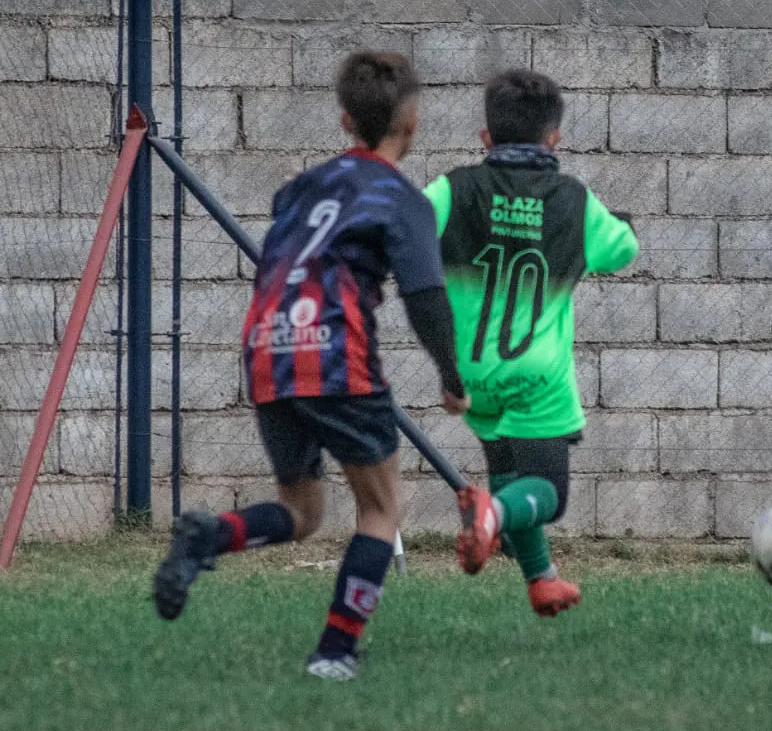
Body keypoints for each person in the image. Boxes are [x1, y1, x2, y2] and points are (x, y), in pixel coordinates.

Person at [152, 50, 468, 681]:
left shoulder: (303, 186)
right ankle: (334, 653)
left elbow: (289, 217)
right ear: (413, 123)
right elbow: (426, 297)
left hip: (267, 346)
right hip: (333, 352)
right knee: (380, 509)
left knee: (302, 512)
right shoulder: (403, 199)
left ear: (346, 119)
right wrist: (450, 376)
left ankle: (209, 536)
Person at [423, 69, 638, 617]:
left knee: (506, 472)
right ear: (554, 139)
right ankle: (494, 516)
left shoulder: (453, 189)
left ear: (486, 138)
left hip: (471, 375)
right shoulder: (573, 201)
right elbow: (623, 249)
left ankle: (541, 578)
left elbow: (408, 225)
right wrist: (622, 223)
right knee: (547, 491)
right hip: (538, 378)